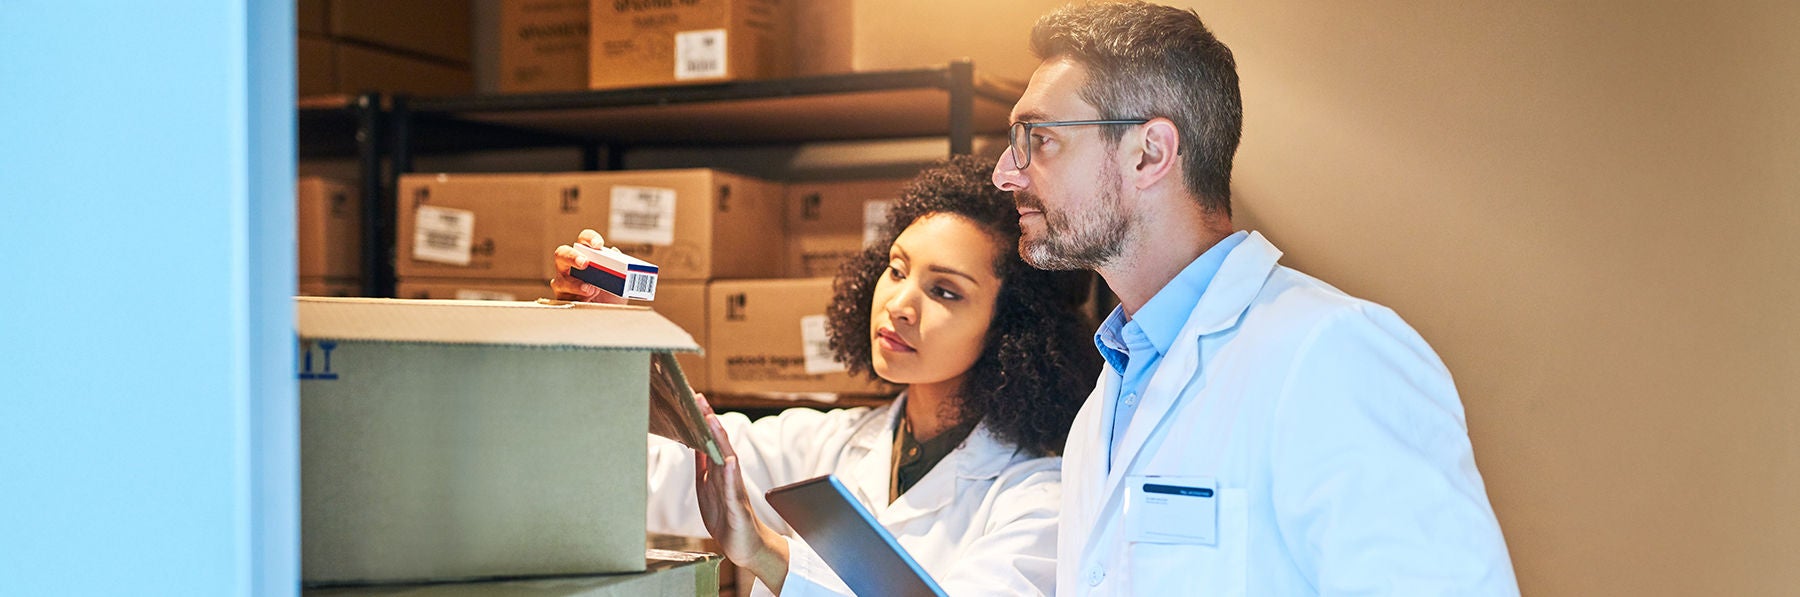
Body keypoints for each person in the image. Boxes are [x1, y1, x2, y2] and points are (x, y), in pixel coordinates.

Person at [989, 2, 1520, 594]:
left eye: (1038, 140)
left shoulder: (1331, 351)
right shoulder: (1106, 404)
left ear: (1150, 153)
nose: (1004, 174)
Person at [552, 155, 1103, 596]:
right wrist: (598, 331)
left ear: (1014, 330)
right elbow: (644, 473)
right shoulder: (830, 445)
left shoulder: (1042, 497)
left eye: (945, 291)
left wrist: (768, 553)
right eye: (896, 270)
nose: (900, 304)